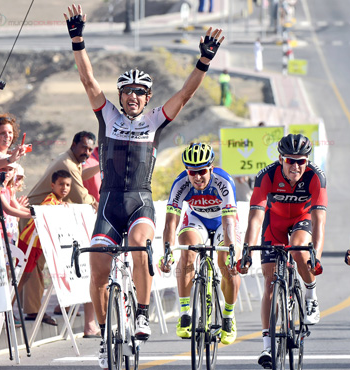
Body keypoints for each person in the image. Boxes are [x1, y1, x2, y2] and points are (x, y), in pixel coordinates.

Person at [64, 4, 224, 368]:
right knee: (99, 270)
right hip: (108, 204)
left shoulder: (154, 121)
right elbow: (89, 81)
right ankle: (106, 337)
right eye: (127, 92)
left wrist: (203, 61)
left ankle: (141, 313)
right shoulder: (107, 116)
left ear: (148, 97)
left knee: (138, 246)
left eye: (139, 92)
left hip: (139, 203)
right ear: (120, 96)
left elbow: (184, 95)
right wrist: (78, 40)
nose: (132, 96)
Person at [238, 134, 326, 368]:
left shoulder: (315, 177)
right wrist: (247, 251)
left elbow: (319, 220)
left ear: (307, 161)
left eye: (301, 161)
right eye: (290, 160)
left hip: (302, 219)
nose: (296, 166)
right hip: (274, 221)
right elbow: (256, 218)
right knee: (269, 281)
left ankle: (310, 294)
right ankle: (267, 346)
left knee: (299, 252)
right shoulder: (266, 175)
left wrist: (315, 255)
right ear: (280, 159)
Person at [160, 143, 241, 345]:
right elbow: (171, 222)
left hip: (223, 222)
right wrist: (168, 252)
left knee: (228, 265)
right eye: (192, 172)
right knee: (187, 252)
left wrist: (231, 251)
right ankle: (186, 313)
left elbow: (229, 222)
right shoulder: (180, 183)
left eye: (202, 172)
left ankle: (229, 317)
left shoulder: (223, 181)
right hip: (197, 221)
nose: (197, 177)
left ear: (210, 169)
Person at [21, 131, 99, 333]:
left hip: (44, 216)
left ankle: (35, 308)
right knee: (32, 264)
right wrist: (97, 204)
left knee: (37, 263)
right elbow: (82, 197)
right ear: (74, 144)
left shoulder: (72, 162)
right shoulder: (68, 164)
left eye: (91, 149)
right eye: (84, 148)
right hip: (34, 217)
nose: (87, 152)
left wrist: (100, 167)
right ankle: (31, 310)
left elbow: (79, 176)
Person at [15, 170, 72, 324]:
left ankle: (10, 309)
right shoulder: (50, 200)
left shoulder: (58, 202)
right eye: (61, 184)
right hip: (28, 243)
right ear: (52, 185)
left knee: (25, 277)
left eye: (67, 185)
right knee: (20, 277)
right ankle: (6, 310)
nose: (64, 188)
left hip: (37, 245)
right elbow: (48, 210)